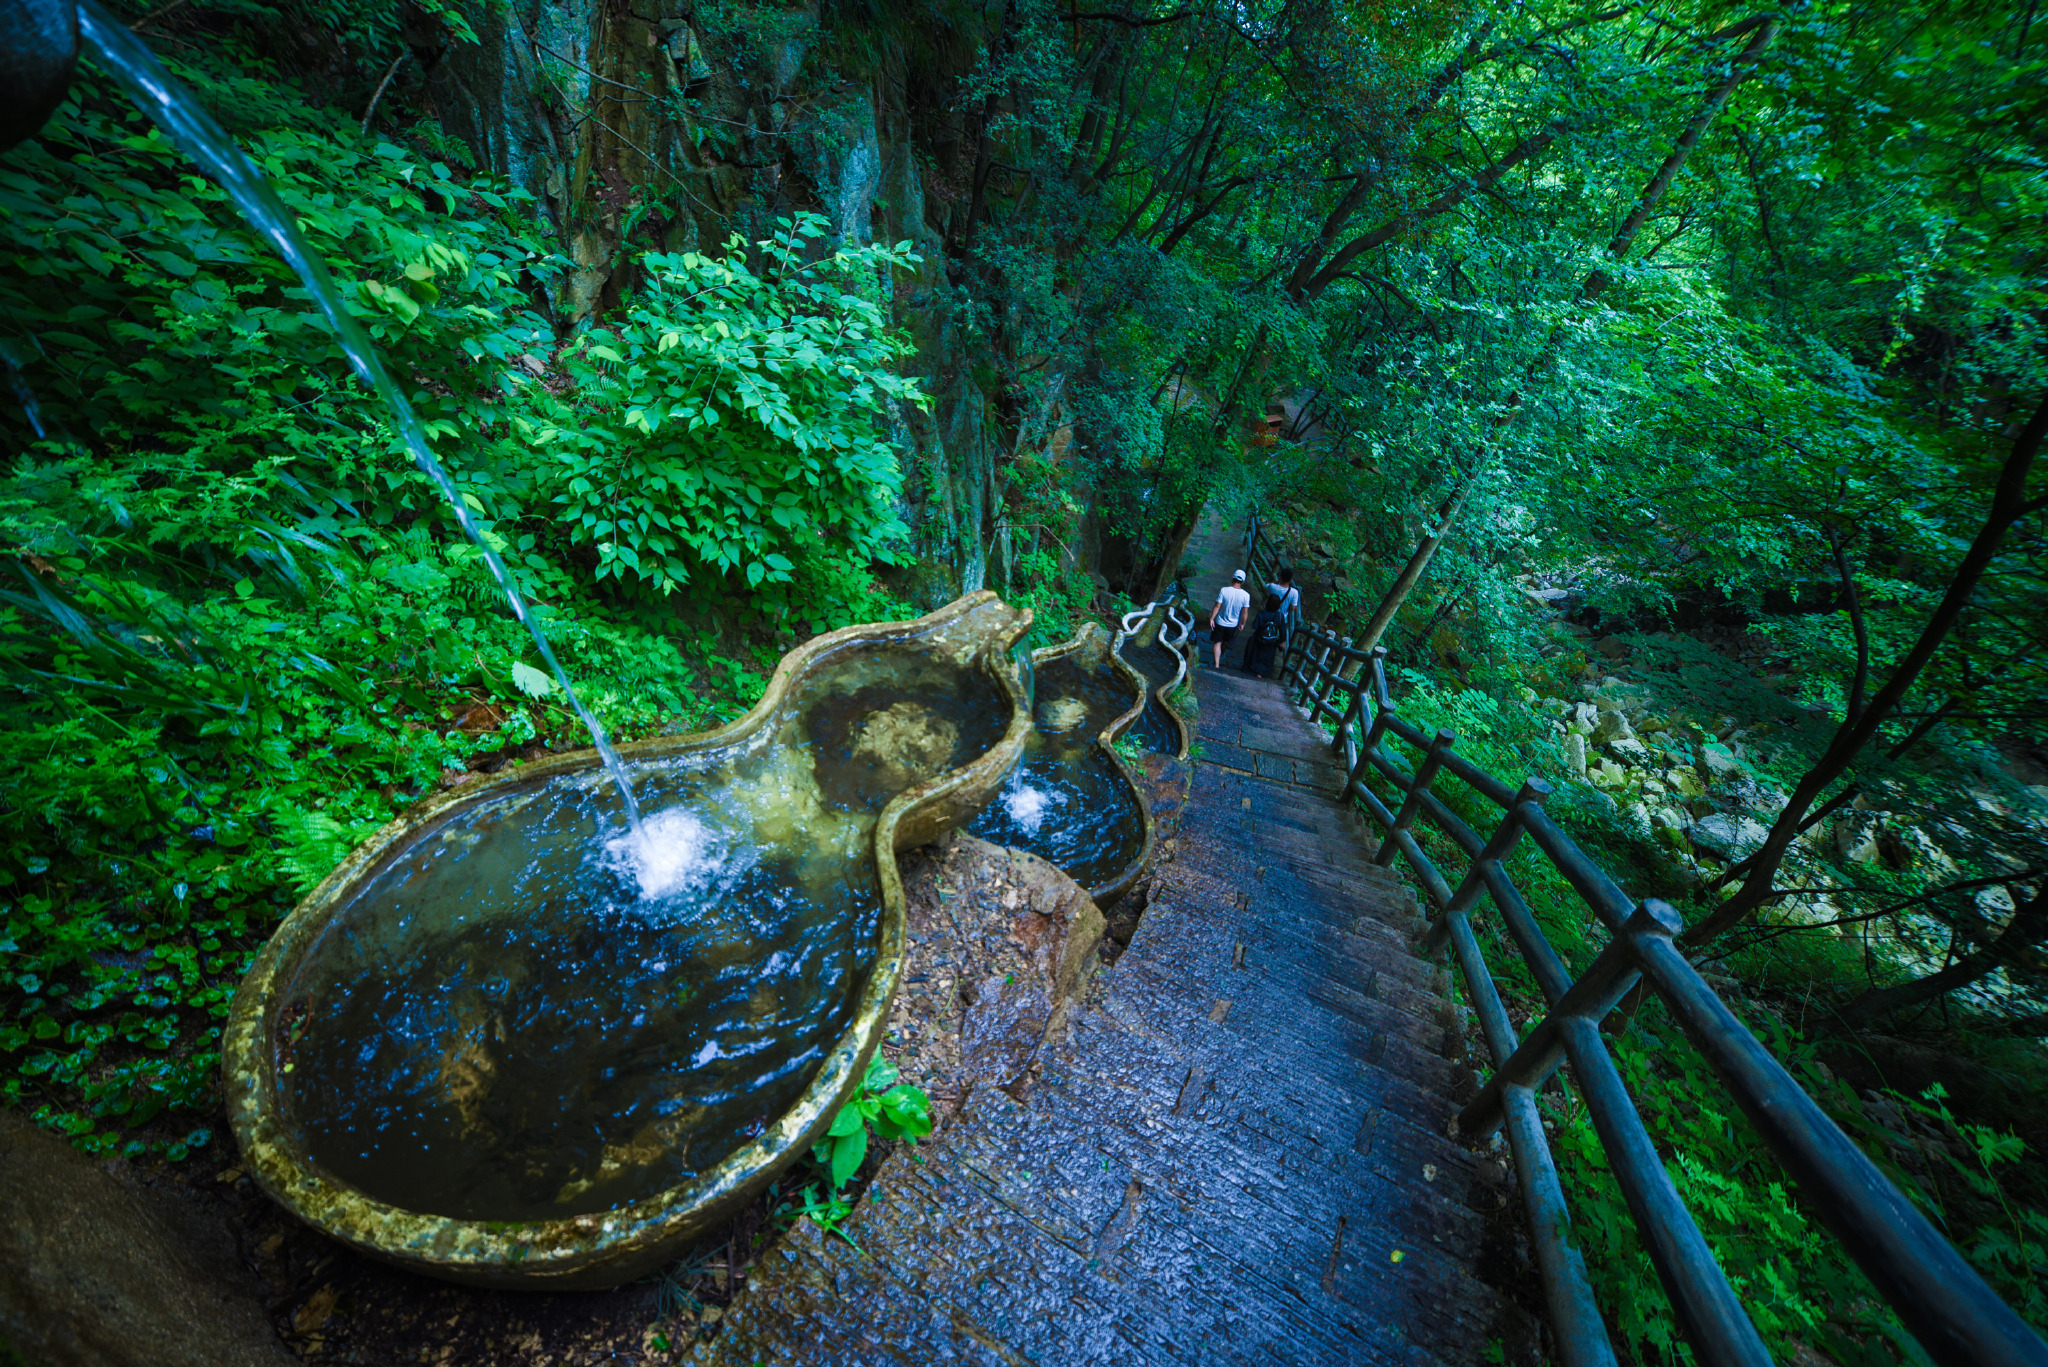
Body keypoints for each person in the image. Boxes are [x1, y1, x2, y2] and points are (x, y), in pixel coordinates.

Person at [1208, 569, 1252, 668]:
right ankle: (1220, 657)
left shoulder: (1224, 590)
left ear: (1233, 577)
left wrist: (1212, 618)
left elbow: (1217, 606)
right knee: (1225, 642)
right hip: (1233, 624)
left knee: (1217, 642)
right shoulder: (1246, 595)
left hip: (1220, 621)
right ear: (1243, 581)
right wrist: (1243, 624)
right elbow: (1245, 612)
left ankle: (1216, 664)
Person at [1245, 592, 1287, 678]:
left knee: (1257, 655)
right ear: (1278, 605)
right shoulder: (1280, 616)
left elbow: (1255, 625)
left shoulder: (1261, 613)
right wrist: (1282, 641)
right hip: (1272, 642)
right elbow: (1283, 630)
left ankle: (1254, 670)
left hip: (1259, 639)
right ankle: (1262, 673)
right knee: (1268, 658)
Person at [1266, 565, 1301, 633]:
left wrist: (1276, 582)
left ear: (1280, 577)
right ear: (1291, 579)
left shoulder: (1272, 586)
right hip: (1281, 618)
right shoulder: (1294, 592)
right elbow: (1292, 608)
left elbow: (1266, 586)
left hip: (1267, 615)